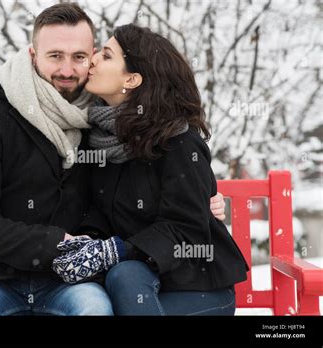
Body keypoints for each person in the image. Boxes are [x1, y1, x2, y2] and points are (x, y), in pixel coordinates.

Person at [0, 3, 226, 316]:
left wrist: (201, 199)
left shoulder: (103, 125)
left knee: (95, 309)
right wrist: (56, 244)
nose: (67, 70)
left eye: (79, 57)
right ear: (33, 55)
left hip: (73, 282)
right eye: (55, 55)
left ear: (93, 56)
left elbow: (131, 194)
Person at [52, 24, 248, 316]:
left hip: (195, 288)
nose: (92, 59)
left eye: (106, 56)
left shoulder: (178, 143)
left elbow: (185, 227)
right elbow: (95, 210)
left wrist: (116, 250)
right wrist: (88, 243)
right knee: (121, 279)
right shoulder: (97, 140)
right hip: (135, 284)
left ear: (131, 79)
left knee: (126, 276)